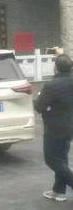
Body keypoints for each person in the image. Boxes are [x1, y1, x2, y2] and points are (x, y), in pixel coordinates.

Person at [35, 53, 73, 202]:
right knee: (61, 159)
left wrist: (43, 102)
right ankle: (59, 191)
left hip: (55, 127)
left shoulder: (52, 85)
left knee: (52, 160)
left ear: (56, 68)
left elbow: (39, 107)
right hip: (69, 126)